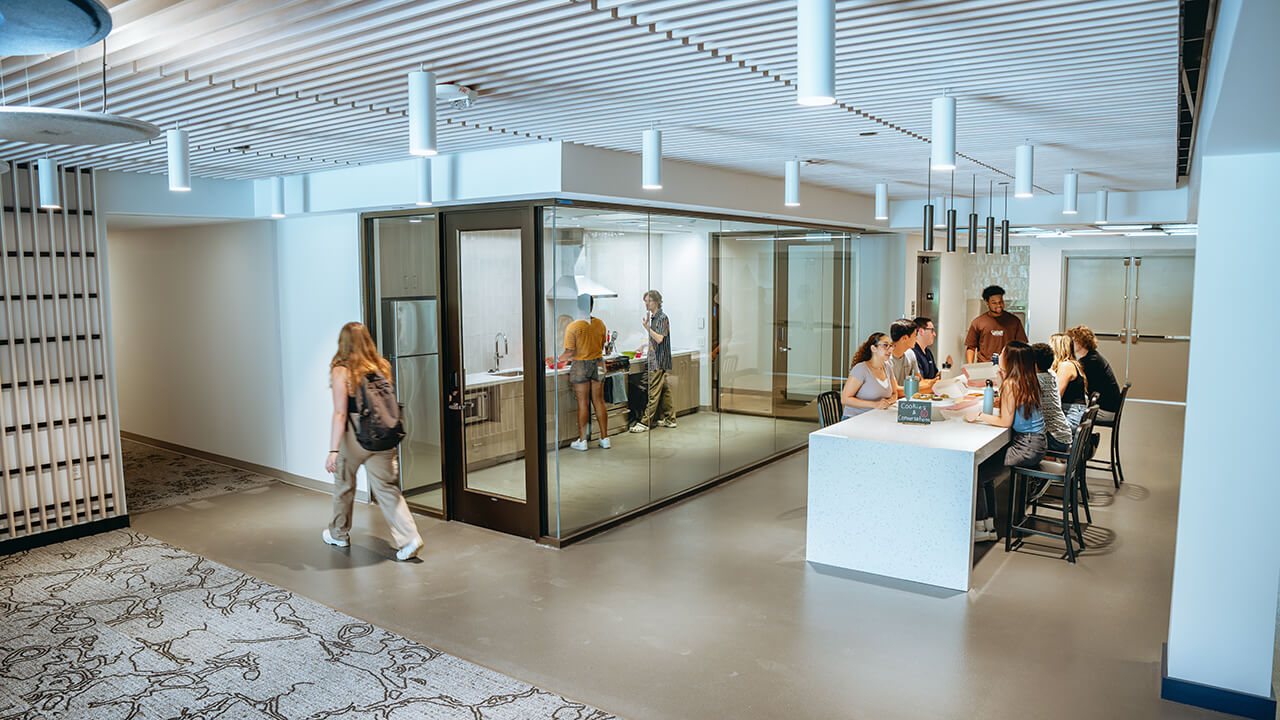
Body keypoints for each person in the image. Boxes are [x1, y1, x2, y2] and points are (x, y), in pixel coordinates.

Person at [323, 322, 424, 561]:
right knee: (387, 489)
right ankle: (410, 539)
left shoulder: (342, 370)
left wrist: (333, 450)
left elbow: (339, 413)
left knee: (344, 484)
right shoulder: (382, 366)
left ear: (343, 342)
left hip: (355, 434)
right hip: (382, 434)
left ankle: (338, 533)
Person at [965, 341, 1047, 543]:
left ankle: (981, 527)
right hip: (1037, 443)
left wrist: (979, 415)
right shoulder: (1029, 379)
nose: (999, 354)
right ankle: (987, 524)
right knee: (985, 468)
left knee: (977, 473)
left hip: (1025, 446)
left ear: (1010, 359)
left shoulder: (1012, 384)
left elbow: (1004, 421)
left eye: (1002, 353)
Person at [558, 295, 610, 450]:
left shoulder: (573, 327)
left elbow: (569, 352)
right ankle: (605, 438)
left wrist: (556, 360)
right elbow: (601, 346)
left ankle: (582, 441)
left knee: (583, 404)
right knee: (599, 401)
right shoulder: (600, 324)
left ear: (578, 307)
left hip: (580, 365)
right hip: (599, 363)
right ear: (591, 307)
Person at [632, 289, 676, 432]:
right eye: (645, 301)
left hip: (658, 360)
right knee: (664, 390)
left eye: (649, 301)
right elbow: (656, 340)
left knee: (653, 392)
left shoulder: (661, 318)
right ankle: (670, 419)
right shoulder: (655, 317)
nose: (646, 303)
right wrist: (644, 345)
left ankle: (645, 423)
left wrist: (646, 328)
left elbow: (660, 338)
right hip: (657, 358)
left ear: (657, 302)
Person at [1066, 324, 1121, 421]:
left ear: (1080, 342)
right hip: (1109, 408)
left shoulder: (1090, 361)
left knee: (1068, 412)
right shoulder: (1093, 357)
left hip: (1104, 411)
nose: (1070, 344)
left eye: (1073, 341)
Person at [964, 285, 1028, 364]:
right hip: (984, 366)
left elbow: (1022, 346)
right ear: (987, 302)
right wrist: (970, 369)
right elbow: (971, 347)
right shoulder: (978, 322)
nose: (998, 305)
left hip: (1008, 366)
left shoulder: (1014, 321)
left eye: (1000, 302)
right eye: (994, 303)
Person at [839, 332, 896, 418]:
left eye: (891, 346)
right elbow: (845, 399)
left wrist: (890, 401)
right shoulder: (861, 369)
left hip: (876, 416)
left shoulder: (888, 367)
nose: (890, 349)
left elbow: (895, 393)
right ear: (873, 348)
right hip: (854, 419)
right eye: (885, 345)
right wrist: (875, 404)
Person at [1032, 342, 1074, 455]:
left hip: (1054, 438)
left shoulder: (1037, 381)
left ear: (1034, 364)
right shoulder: (1051, 375)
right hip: (1063, 434)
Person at [1050, 333, 1088, 429]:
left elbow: (1055, 397)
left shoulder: (1066, 366)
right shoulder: (1073, 364)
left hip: (1070, 417)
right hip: (1074, 414)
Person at [911, 316, 954, 392]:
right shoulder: (913, 353)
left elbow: (934, 376)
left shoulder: (928, 352)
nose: (934, 334)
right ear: (921, 331)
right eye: (932, 330)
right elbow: (921, 382)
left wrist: (945, 370)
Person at [887, 318, 919, 398]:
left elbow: (919, 380)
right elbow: (895, 391)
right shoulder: (886, 359)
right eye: (915, 336)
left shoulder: (910, 354)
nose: (916, 339)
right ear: (904, 338)